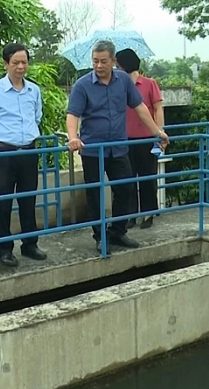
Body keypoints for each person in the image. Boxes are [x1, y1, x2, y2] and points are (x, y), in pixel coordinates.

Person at [66, 40, 169, 249]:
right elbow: (72, 114)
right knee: (95, 194)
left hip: (119, 147)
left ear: (113, 61)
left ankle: (117, 231)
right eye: (95, 61)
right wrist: (72, 137)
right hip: (93, 149)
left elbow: (140, 108)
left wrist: (157, 132)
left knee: (125, 188)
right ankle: (100, 237)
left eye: (103, 61)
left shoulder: (123, 80)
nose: (99, 66)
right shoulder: (82, 85)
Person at [0, 43, 47, 267]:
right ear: (5, 63)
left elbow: (36, 117)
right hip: (2, 153)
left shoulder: (33, 90)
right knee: (3, 203)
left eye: (24, 62)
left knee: (28, 199)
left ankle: (30, 244)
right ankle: (3, 249)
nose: (20, 66)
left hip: (28, 150)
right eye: (15, 62)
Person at [115, 48, 164, 230]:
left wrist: (159, 131)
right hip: (124, 139)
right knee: (127, 178)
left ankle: (149, 213)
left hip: (145, 138)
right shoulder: (118, 84)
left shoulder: (149, 83)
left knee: (147, 177)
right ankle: (131, 214)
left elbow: (158, 108)